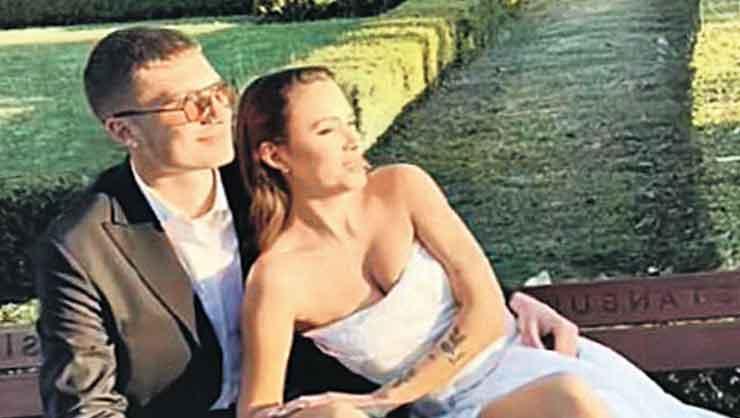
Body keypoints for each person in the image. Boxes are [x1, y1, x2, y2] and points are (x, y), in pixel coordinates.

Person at [31, 26, 592, 418]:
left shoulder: (269, 181)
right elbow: (86, 406)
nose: (216, 113)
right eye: (186, 105)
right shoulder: (82, 247)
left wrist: (508, 298)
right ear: (123, 131)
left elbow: (367, 239)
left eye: (216, 93)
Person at [234, 65, 731, 418]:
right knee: (570, 400)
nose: (352, 139)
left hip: (525, 356)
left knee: (577, 396)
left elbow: (486, 310)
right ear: (276, 155)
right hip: (458, 405)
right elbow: (257, 407)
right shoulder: (278, 278)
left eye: (350, 121)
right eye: (326, 130)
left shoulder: (402, 187)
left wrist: (383, 399)